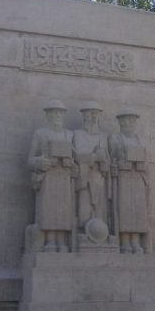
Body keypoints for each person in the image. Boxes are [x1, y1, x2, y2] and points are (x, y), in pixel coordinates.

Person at [28, 100, 75, 252]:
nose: (57, 116)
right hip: (48, 176)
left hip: (64, 177)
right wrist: (39, 162)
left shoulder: (69, 134)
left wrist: (71, 163)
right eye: (54, 113)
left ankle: (62, 241)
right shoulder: (40, 134)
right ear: (48, 115)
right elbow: (30, 160)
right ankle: (49, 240)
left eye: (60, 113)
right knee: (48, 209)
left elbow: (75, 158)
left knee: (63, 209)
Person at [109, 109, 148, 253]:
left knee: (137, 211)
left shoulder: (140, 140)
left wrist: (142, 166)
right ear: (120, 122)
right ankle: (125, 241)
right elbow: (111, 160)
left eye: (132, 120)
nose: (129, 123)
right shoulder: (115, 138)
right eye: (126, 120)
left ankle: (136, 241)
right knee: (124, 209)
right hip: (123, 179)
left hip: (137, 178)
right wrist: (118, 165)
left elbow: (146, 162)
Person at [72, 101, 110, 233]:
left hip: (99, 178)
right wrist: (94, 157)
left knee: (99, 208)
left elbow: (107, 158)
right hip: (84, 178)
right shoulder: (77, 135)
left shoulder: (103, 137)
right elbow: (75, 155)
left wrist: (104, 163)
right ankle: (83, 232)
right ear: (84, 116)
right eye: (90, 114)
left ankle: (99, 233)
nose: (93, 117)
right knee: (84, 206)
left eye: (96, 114)